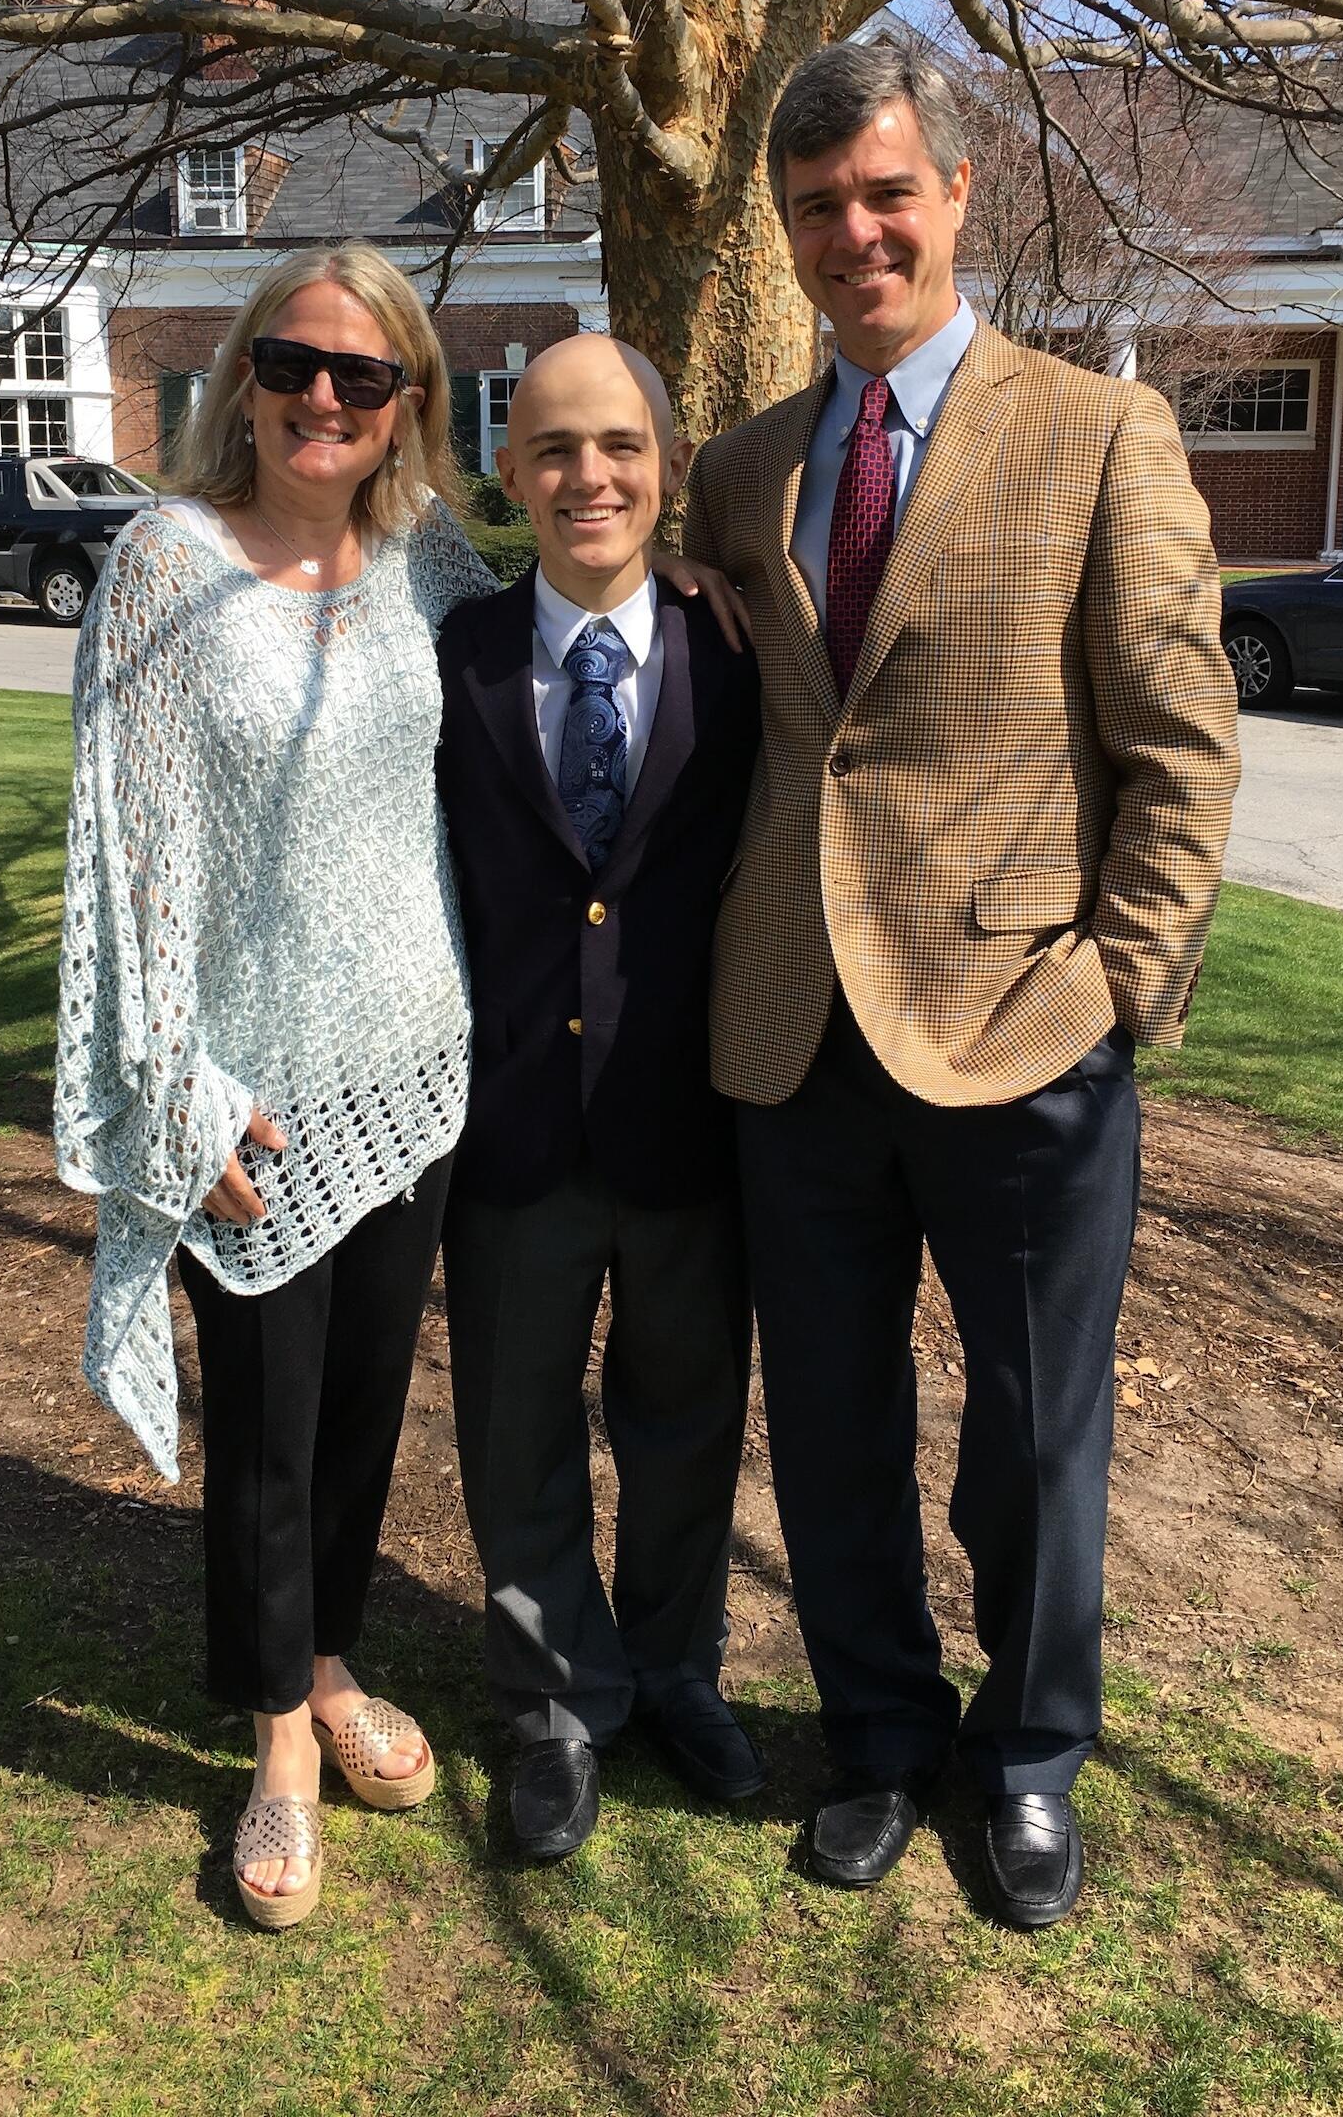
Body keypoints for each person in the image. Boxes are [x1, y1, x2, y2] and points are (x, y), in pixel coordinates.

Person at [683, 36, 1239, 1927]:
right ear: (786, 228)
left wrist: (1125, 991)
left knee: (1033, 1437)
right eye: (820, 208)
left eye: (886, 194)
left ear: (955, 196)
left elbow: (1181, 742)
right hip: (794, 1026)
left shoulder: (1096, 433)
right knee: (829, 1417)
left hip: (1027, 1030)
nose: (857, 235)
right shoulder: (745, 468)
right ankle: (885, 1736)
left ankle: (1026, 1758)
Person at [55, 244, 491, 1928]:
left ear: (406, 409)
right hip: (248, 1096)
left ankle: (327, 1664)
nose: (326, 396)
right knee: (267, 1428)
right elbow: (131, 851)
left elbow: (543, 661)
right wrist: (174, 1087)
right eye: (297, 363)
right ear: (244, 375)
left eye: (366, 376)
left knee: (369, 1399)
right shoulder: (166, 565)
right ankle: (278, 1752)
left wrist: (701, 593)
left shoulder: (427, 559)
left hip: (415, 1061)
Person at [435, 335, 763, 1864]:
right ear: (512, 470)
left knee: (687, 1423)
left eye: (622, 445)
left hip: (692, 1122)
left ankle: (677, 1670)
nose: (591, 477)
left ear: (668, 463)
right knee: (516, 1434)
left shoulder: (742, 651)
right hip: (510, 1128)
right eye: (556, 448)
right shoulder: (457, 657)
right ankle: (558, 1702)